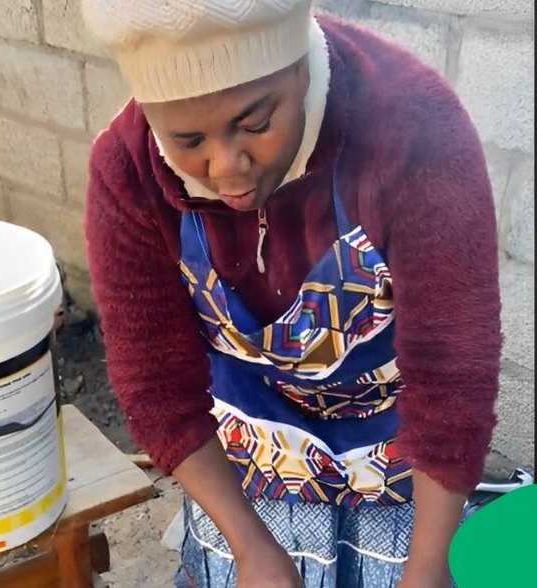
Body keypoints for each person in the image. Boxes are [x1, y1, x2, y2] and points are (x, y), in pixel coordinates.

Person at [80, 1, 501, 586]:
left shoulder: (412, 130)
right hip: (250, 448)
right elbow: (155, 386)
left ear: (302, 68)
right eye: (189, 139)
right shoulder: (128, 169)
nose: (228, 167)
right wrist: (250, 548)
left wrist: (429, 568)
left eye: (255, 123)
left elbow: (453, 376)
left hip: (405, 451)